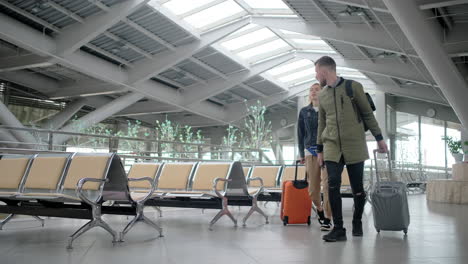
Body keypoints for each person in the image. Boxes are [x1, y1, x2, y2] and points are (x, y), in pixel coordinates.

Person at [314, 56, 388, 242]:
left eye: (316, 72)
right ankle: (339, 228)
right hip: (331, 145)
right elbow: (321, 123)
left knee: (357, 189)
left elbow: (367, 114)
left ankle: (357, 221)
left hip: (354, 144)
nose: (316, 76)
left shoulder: (353, 87)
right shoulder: (322, 95)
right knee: (332, 184)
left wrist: (379, 139)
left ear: (324, 71)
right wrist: (320, 150)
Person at [297, 83, 332, 231]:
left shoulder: (328, 109)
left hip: (327, 151)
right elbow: (300, 133)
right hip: (309, 151)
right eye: (311, 90)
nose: (313, 92)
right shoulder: (304, 111)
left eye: (317, 90)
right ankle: (319, 208)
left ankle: (328, 217)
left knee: (328, 186)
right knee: (313, 188)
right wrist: (301, 153)